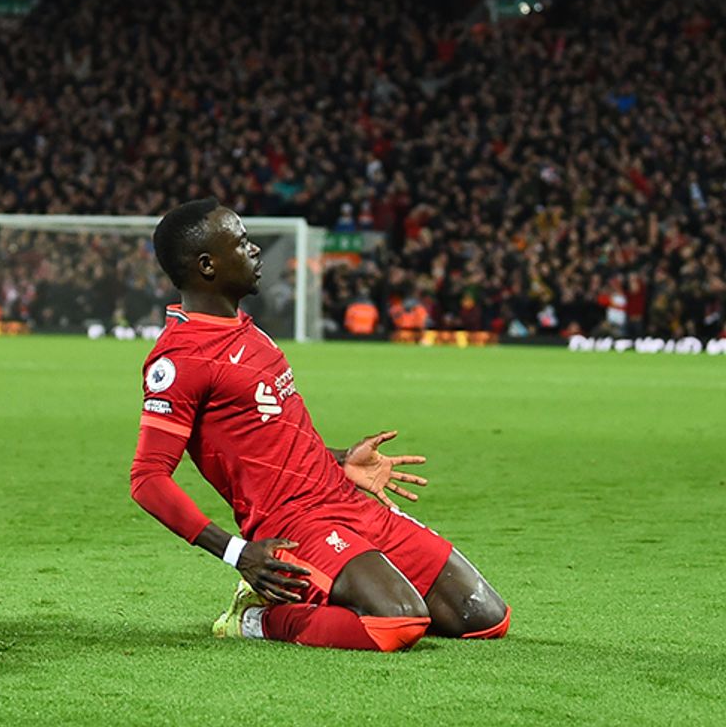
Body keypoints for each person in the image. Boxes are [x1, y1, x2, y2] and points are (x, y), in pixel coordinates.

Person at [130, 198, 509, 651]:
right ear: (207, 265)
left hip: (344, 498)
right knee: (398, 624)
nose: (254, 251)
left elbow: (268, 434)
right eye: (242, 242)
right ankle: (258, 618)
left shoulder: (249, 331)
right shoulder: (180, 358)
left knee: (484, 618)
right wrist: (237, 552)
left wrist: (340, 459)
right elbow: (147, 479)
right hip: (294, 523)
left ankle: (342, 593)